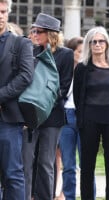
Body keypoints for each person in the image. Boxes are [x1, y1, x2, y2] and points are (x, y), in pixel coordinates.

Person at [22, 13, 74, 200]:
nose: (34, 34)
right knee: (26, 161)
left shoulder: (65, 55)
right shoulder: (30, 51)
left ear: (51, 34)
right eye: (33, 30)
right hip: (29, 114)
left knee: (45, 161)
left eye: (39, 31)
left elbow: (64, 86)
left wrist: (41, 100)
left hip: (52, 116)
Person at [73, 26, 109, 200]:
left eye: (101, 41)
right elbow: (77, 96)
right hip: (89, 121)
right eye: (93, 41)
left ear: (106, 44)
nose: (97, 44)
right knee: (87, 166)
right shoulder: (82, 68)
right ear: (89, 45)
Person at [0, 0, 34, 199]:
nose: (0, 15)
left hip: (8, 120)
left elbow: (25, 76)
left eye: (4, 11)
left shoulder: (21, 43)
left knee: (13, 174)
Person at [58, 37, 83, 200]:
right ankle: (69, 197)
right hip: (66, 115)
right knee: (68, 164)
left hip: (84, 117)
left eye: (83, 52)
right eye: (78, 51)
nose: (81, 55)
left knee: (87, 164)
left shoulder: (89, 68)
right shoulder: (65, 68)